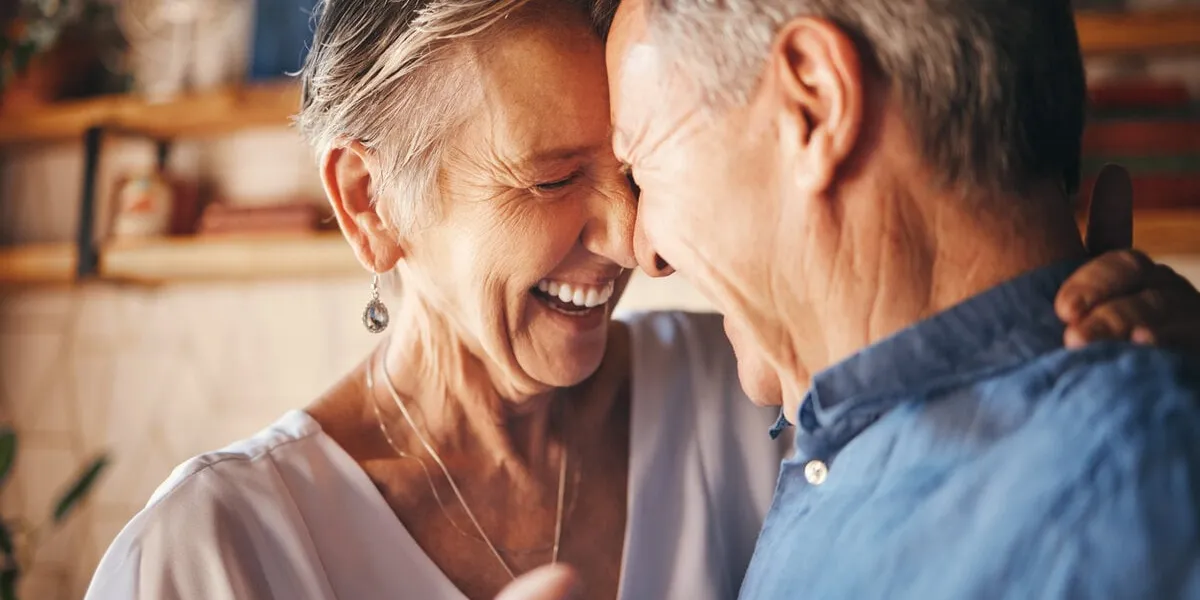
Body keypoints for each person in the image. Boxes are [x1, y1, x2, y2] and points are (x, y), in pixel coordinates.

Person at [85, 1, 1195, 599]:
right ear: (371, 202)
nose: (632, 242)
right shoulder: (203, 559)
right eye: (556, 177)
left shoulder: (766, 395)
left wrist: (1135, 383)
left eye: (635, 169)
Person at [592, 0, 1200, 597]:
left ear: (815, 102)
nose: (644, 251)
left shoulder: (1130, 499)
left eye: (640, 170)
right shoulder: (852, 458)